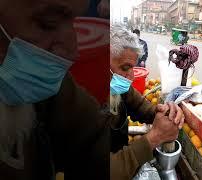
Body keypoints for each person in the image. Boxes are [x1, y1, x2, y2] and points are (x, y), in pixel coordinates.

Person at [0, 1, 109, 179]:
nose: (73, 51)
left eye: (73, 21)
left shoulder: (38, 79)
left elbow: (94, 133)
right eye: (48, 23)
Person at [109, 25, 185, 179]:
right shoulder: (84, 105)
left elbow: (139, 105)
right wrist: (153, 138)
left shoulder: (119, 88)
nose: (131, 76)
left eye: (132, 67)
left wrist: (162, 112)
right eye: (125, 68)